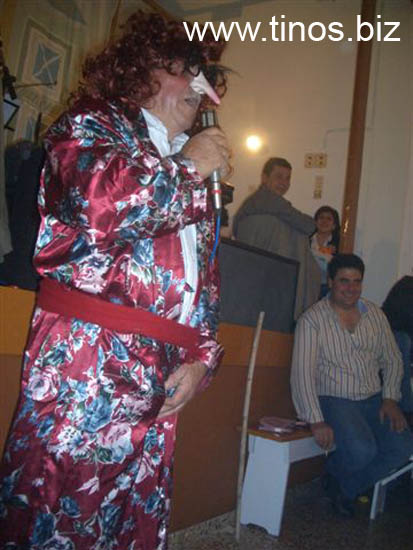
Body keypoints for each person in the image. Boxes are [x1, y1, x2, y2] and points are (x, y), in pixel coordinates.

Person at [0, 11, 231, 549]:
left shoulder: (188, 163)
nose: (199, 85)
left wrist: (202, 359)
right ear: (140, 70)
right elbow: (100, 205)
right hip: (87, 363)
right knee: (60, 516)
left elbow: (206, 281)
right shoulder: (90, 124)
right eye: (184, 68)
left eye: (204, 74)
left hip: (162, 374)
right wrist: (189, 168)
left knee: (132, 523)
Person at [291, 254, 413, 516]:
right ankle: (340, 479)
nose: (351, 288)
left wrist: (390, 398)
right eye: (344, 281)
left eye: (357, 281)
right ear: (330, 281)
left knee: (403, 448)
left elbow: (393, 359)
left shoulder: (375, 315)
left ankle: (343, 485)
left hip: (374, 399)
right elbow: (302, 374)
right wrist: (316, 420)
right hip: (335, 399)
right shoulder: (312, 320)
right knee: (362, 451)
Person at [232, 157, 321, 318]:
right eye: (279, 176)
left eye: (288, 178)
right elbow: (308, 225)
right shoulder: (266, 199)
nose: (284, 183)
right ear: (265, 178)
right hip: (263, 272)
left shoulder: (261, 200)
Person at [382, 276, 413, 424]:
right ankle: (407, 409)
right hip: (390, 342)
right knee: (402, 341)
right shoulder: (406, 287)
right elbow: (396, 324)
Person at [309, 205, 340, 298]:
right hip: (307, 285)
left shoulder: (340, 245)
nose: (324, 221)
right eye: (321, 217)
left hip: (327, 288)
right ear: (315, 222)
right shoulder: (305, 240)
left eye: (329, 219)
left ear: (334, 225)